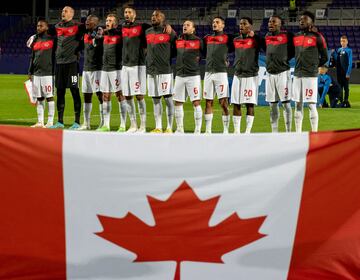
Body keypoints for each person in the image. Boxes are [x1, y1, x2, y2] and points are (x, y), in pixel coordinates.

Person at [50, 6, 86, 129]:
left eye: (65, 11)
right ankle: (60, 121)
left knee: (74, 91)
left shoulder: (78, 26)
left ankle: (77, 121)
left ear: (72, 13)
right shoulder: (57, 26)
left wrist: (79, 49)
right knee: (59, 92)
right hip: (59, 64)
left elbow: (87, 34)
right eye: (62, 11)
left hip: (72, 64)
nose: (63, 13)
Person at [292, 11, 328, 132]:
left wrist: (314, 66)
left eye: (305, 19)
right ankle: (298, 133)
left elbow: (325, 57)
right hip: (297, 75)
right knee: (298, 104)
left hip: (310, 76)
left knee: (311, 105)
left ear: (311, 22)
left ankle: (314, 132)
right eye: (300, 19)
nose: (301, 21)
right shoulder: (296, 36)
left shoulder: (318, 37)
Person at [145, 10, 177, 133]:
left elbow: (177, 47)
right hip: (151, 71)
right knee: (156, 100)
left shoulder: (169, 32)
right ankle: (158, 126)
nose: (153, 17)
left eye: (156, 15)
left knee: (168, 100)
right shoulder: (147, 32)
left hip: (165, 71)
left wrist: (170, 28)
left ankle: (169, 127)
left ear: (163, 19)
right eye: (152, 15)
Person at [231, 17, 264, 134]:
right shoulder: (235, 40)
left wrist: (255, 36)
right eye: (240, 24)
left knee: (249, 104)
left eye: (244, 24)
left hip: (250, 75)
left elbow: (265, 46)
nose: (241, 26)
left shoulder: (255, 40)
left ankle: (247, 132)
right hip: (237, 75)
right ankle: (236, 131)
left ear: (250, 26)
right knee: (236, 103)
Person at [96, 13, 127, 132]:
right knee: (105, 96)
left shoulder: (119, 35)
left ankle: (123, 125)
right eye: (107, 20)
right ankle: (106, 125)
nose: (107, 22)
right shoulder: (104, 35)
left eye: (110, 20)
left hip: (116, 69)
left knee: (120, 95)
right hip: (105, 69)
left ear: (115, 23)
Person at [121, 6, 149, 133]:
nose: (127, 14)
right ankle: (133, 125)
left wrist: (168, 28)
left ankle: (143, 125)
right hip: (125, 66)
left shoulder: (142, 27)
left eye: (129, 12)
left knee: (139, 96)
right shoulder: (121, 28)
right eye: (125, 12)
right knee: (127, 96)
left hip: (138, 65)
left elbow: (157, 29)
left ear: (135, 15)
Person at [203, 16, 233, 134]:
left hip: (221, 73)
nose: (214, 24)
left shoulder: (228, 38)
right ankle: (208, 130)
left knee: (223, 103)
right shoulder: (207, 38)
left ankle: (225, 130)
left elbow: (235, 48)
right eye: (213, 22)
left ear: (223, 25)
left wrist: (227, 59)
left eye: (217, 22)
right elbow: (203, 50)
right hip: (208, 73)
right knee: (208, 102)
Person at [173, 20, 204, 134]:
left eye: (188, 25)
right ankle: (180, 128)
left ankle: (197, 129)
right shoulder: (179, 41)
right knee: (178, 102)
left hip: (193, 76)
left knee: (196, 102)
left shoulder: (198, 41)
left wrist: (199, 57)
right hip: (180, 75)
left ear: (193, 29)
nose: (185, 27)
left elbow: (207, 52)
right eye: (184, 25)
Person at [265, 15, 294, 133]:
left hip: (283, 73)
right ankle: (274, 132)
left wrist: (285, 59)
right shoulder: (266, 37)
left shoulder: (287, 36)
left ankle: (288, 131)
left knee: (286, 104)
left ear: (280, 24)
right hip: (270, 74)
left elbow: (293, 50)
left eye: (273, 22)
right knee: (272, 105)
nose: (270, 24)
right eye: (269, 22)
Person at [28, 19, 56, 128]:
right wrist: (30, 71)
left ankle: (50, 121)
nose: (38, 28)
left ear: (46, 27)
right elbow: (32, 57)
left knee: (49, 96)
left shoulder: (52, 39)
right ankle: (40, 122)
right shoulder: (35, 40)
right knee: (39, 97)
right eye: (37, 26)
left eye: (41, 26)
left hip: (48, 73)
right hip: (36, 73)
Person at [79, 15, 104, 130]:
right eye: (87, 20)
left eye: (90, 20)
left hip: (97, 69)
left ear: (96, 22)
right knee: (86, 95)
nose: (87, 22)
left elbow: (97, 41)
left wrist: (93, 34)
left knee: (100, 95)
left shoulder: (99, 31)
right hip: (86, 69)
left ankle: (103, 122)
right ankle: (86, 123)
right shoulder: (85, 34)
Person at [330, 35, 352, 108]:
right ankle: (341, 101)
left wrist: (348, 73)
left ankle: (346, 101)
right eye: (341, 41)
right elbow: (337, 60)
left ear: (347, 42)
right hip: (339, 73)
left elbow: (350, 62)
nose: (342, 42)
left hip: (345, 73)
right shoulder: (339, 50)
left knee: (346, 88)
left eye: (344, 41)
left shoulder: (349, 50)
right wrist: (333, 53)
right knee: (340, 88)